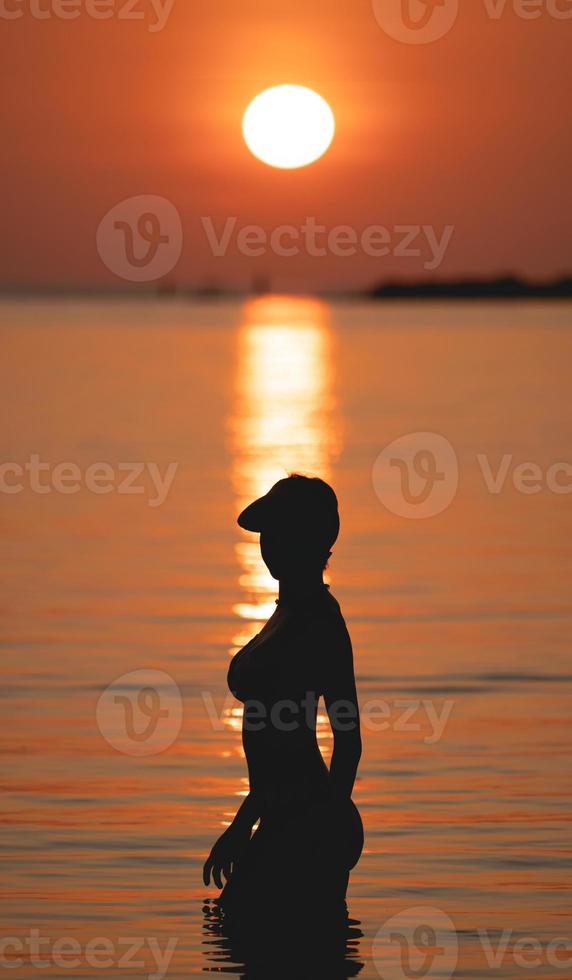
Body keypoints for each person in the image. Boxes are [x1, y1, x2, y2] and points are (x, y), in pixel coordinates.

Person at [203, 474, 363, 928]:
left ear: (309, 540)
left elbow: (347, 741)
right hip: (277, 811)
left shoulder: (319, 620)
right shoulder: (285, 613)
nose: (268, 544)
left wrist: (327, 830)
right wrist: (244, 823)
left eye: (280, 532)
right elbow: (278, 750)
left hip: (307, 818)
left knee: (266, 941)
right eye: (265, 533)